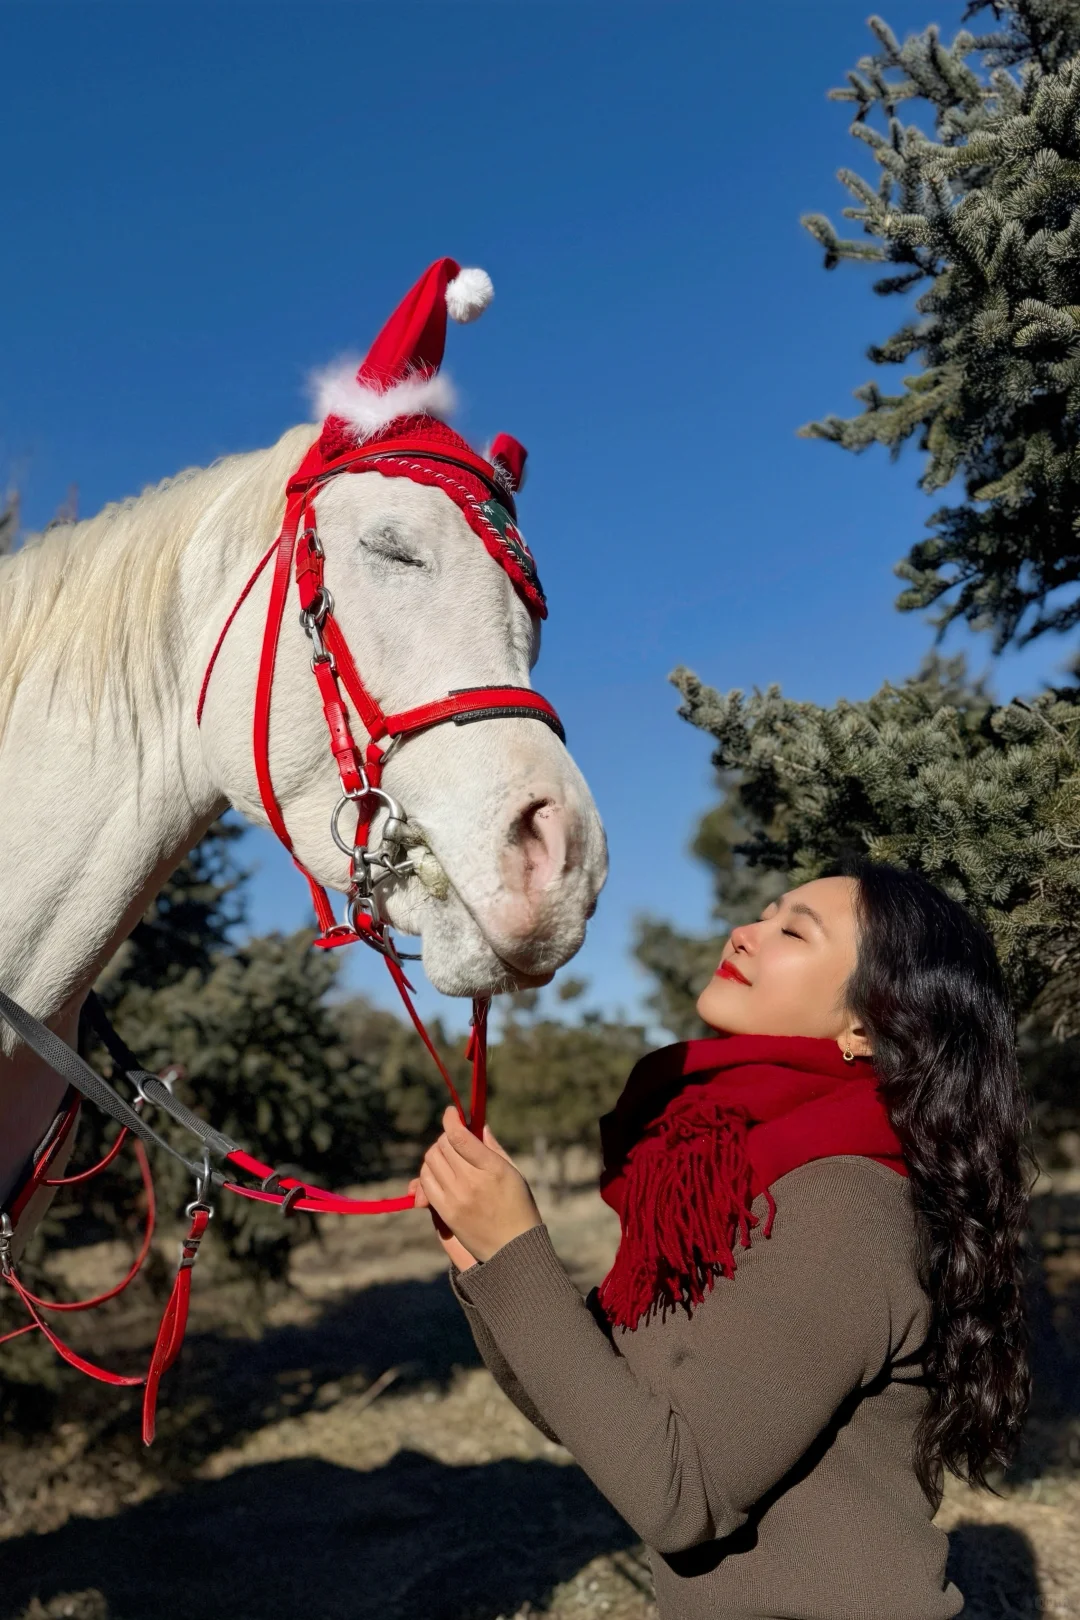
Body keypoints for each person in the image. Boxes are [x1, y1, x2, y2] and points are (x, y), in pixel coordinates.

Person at [410, 862, 1031, 1619]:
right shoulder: (721, 1173)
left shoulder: (846, 1198)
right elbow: (608, 1425)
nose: (744, 932)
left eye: (794, 931)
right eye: (764, 914)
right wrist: (491, 1265)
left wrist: (518, 1250)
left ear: (867, 1025)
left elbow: (679, 1495)